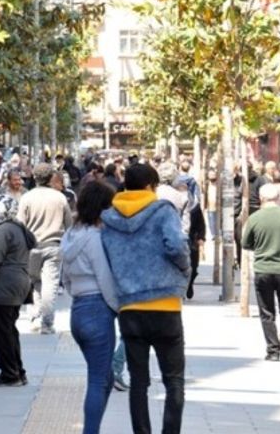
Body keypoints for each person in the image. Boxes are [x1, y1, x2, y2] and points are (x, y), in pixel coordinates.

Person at [100, 164, 190, 434]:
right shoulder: (163, 212)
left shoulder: (108, 218)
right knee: (174, 380)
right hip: (165, 305)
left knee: (138, 382)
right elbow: (176, 246)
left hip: (130, 307)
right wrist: (184, 268)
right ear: (152, 185)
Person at [61, 182, 119, 434]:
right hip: (98, 309)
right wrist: (118, 307)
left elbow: (65, 279)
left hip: (78, 310)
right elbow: (105, 277)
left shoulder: (70, 235)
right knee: (98, 379)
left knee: (104, 377)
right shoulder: (95, 238)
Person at [241, 184, 280, 361]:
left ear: (261, 199)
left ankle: (273, 351)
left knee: (266, 311)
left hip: (262, 269)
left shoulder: (254, 218)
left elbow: (245, 243)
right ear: (277, 198)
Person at [0, 195, 35, 387]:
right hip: (19, 282)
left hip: (5, 285)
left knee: (2, 332)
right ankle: (18, 371)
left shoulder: (2, 230)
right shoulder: (19, 227)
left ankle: (9, 373)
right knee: (10, 329)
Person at [17, 163, 73, 335]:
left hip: (31, 247)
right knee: (50, 284)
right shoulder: (60, 198)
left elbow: (20, 223)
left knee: (36, 282)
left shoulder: (26, 197)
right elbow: (69, 224)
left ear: (34, 177)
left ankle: (36, 316)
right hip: (54, 246)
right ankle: (47, 323)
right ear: (51, 178)